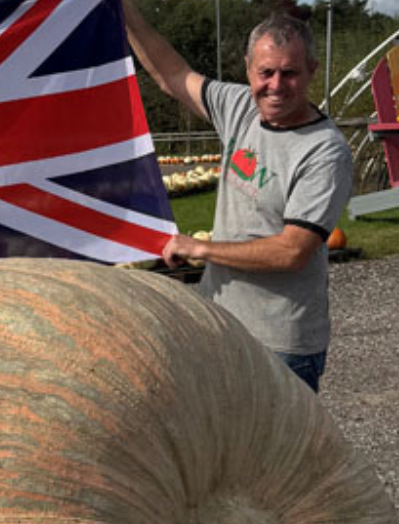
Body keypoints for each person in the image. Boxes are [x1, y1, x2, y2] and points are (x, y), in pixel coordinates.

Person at [122, 0, 352, 392]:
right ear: (248, 69)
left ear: (311, 71)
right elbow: (172, 75)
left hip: (281, 344)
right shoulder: (239, 107)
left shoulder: (324, 151)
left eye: (289, 73)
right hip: (221, 327)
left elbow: (292, 252)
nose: (275, 86)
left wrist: (201, 249)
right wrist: (125, 12)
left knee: (272, 437)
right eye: (266, 72)